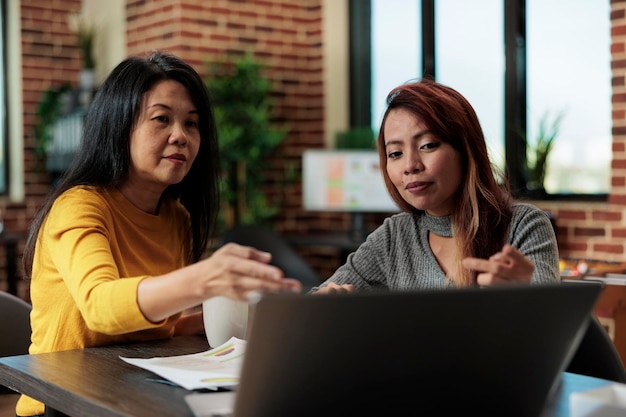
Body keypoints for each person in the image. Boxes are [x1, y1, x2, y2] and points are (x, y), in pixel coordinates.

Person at [16, 51, 301, 417]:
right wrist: (202, 279)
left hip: (126, 394)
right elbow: (101, 308)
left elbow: (145, 327)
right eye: (161, 119)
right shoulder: (79, 206)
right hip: (59, 404)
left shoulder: (175, 217)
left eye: (192, 124)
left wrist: (246, 312)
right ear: (120, 126)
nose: (180, 136)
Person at [314, 78, 559, 294]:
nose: (410, 165)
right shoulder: (393, 238)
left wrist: (527, 300)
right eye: (395, 153)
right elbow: (316, 301)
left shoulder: (523, 225)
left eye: (428, 145)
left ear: (466, 150)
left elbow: (554, 332)